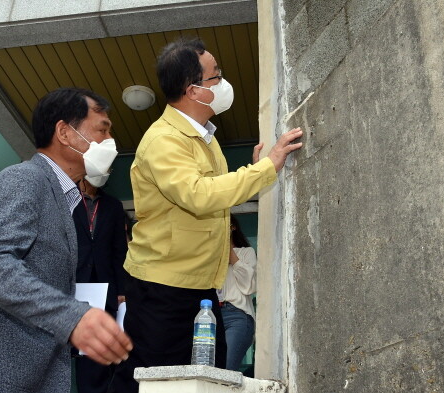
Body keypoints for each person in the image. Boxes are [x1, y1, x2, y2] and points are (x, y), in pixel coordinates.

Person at [109, 37, 303, 393]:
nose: (222, 83)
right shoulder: (164, 141)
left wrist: (254, 171)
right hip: (163, 287)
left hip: (197, 286)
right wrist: (266, 168)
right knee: (155, 379)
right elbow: (198, 196)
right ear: (194, 91)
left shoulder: (204, 137)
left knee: (206, 377)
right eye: (216, 77)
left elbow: (214, 193)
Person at [0, 88, 132, 393]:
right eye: (102, 129)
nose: (109, 141)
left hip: (19, 376)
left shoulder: (64, 197)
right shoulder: (23, 180)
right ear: (65, 132)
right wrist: (73, 316)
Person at [73, 178, 128, 393]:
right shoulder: (67, 199)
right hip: (72, 284)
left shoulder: (113, 205)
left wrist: (121, 289)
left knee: (95, 356)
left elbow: (119, 250)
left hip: (104, 290)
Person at [218, 214, 257, 372]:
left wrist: (231, 254)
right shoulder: (210, 258)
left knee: (226, 369)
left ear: (232, 227)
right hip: (212, 315)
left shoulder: (246, 252)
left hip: (237, 314)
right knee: (208, 369)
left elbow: (249, 286)